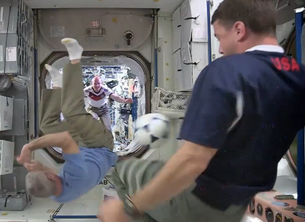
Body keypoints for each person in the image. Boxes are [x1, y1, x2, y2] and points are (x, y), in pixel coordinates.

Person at [97, 0, 305, 222]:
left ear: (239, 30)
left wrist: (130, 207)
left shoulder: (226, 71)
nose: (221, 49)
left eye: (219, 38)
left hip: (200, 201)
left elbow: (192, 161)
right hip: (238, 204)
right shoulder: (298, 77)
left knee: (121, 169)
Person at [17, 38, 118, 203]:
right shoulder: (77, 173)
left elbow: (52, 174)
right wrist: (30, 146)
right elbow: (64, 139)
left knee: (46, 125)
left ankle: (57, 84)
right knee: (71, 112)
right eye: (46, 175)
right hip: (101, 145)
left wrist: (40, 169)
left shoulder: (58, 194)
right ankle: (75, 57)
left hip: (82, 148)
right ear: (49, 177)